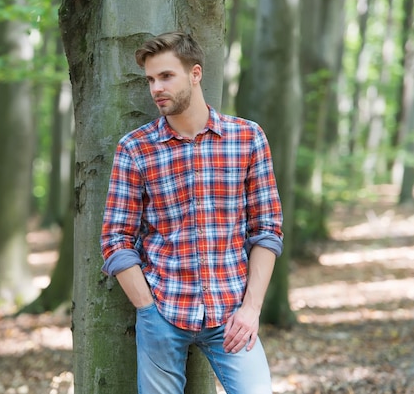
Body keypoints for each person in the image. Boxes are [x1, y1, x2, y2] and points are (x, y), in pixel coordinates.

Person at [100, 31, 283, 394]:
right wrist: (148, 310)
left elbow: (267, 230)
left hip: (231, 312)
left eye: (166, 76)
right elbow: (115, 238)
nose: (156, 88)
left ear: (195, 74)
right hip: (163, 311)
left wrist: (251, 309)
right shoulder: (135, 149)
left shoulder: (247, 138)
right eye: (150, 79)